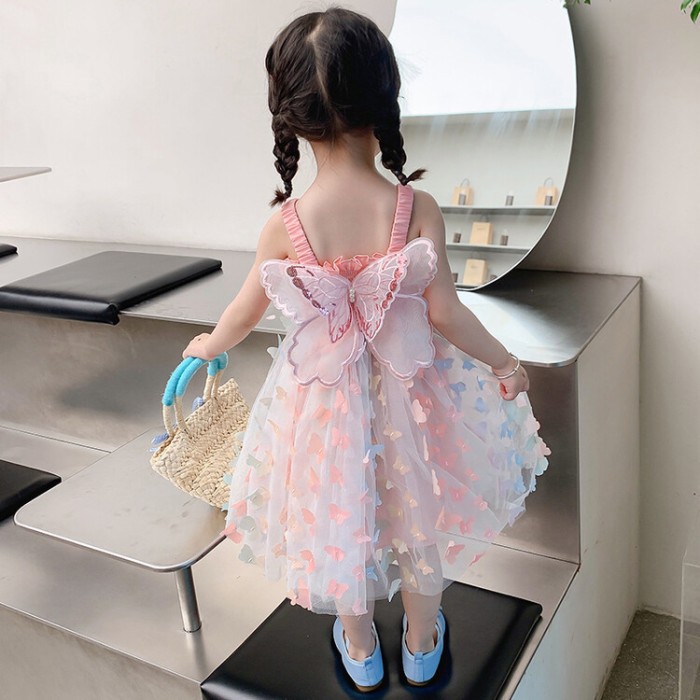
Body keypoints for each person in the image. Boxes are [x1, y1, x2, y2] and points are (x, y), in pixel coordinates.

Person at [182, 7, 549, 692]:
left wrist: (208, 345)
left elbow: (243, 311)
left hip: (323, 408)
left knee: (338, 515)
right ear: (384, 98)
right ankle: (421, 643)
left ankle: (359, 647)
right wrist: (505, 364)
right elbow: (446, 312)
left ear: (290, 115)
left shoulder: (285, 224)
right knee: (417, 516)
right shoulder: (414, 208)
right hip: (412, 400)